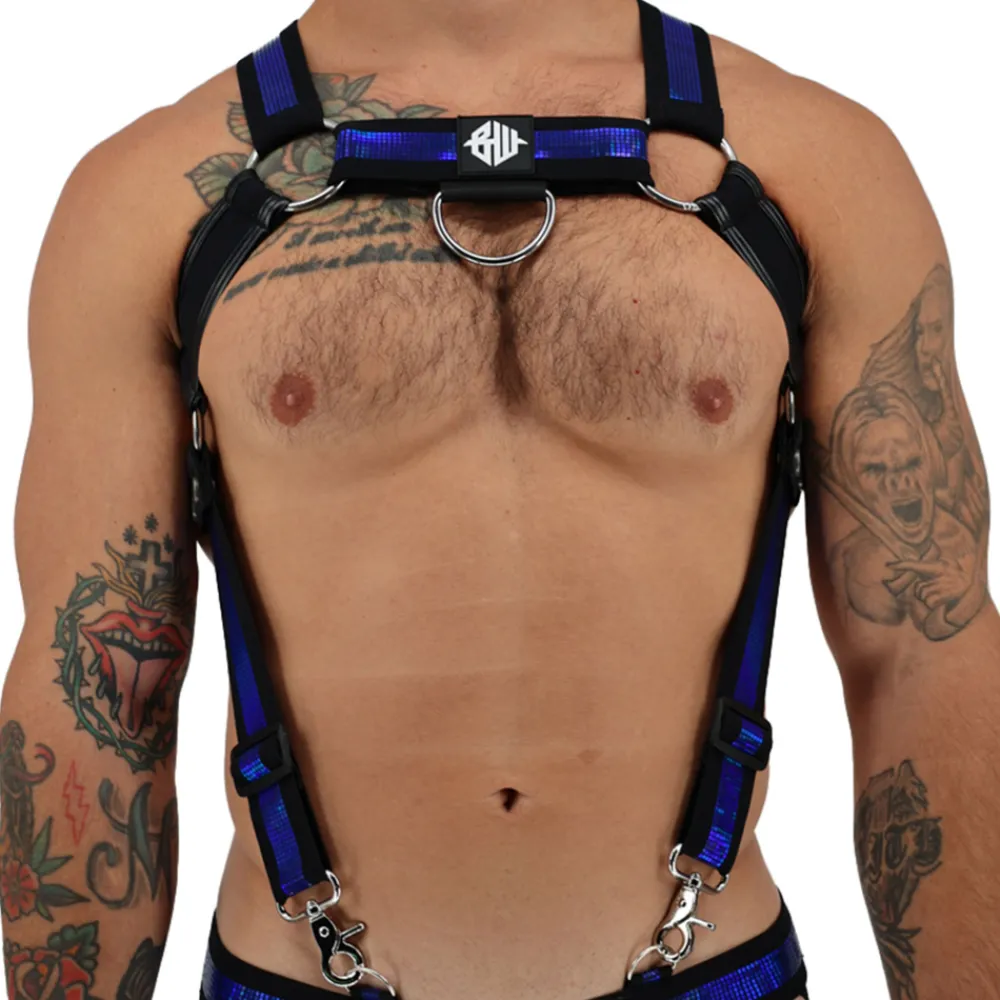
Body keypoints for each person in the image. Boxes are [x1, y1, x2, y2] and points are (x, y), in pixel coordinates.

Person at [0, 1, 996, 999]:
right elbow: (100, 699)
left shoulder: (817, 165)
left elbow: (923, 652)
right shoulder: (147, 197)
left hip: (712, 971)